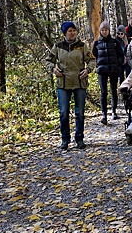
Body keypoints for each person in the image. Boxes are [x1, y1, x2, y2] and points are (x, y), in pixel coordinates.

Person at [45, 21, 95, 150]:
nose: (72, 33)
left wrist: (87, 70)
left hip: (79, 82)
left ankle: (79, 139)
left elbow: (91, 60)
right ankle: (65, 139)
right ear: (65, 33)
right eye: (69, 31)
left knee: (80, 112)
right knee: (64, 112)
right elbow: (48, 61)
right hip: (63, 83)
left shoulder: (82, 46)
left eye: (74, 30)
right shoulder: (58, 46)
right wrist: (54, 69)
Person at [92, 21, 125, 125]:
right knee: (103, 92)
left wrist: (118, 63)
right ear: (100, 31)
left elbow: (121, 55)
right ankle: (104, 114)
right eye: (102, 30)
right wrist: (97, 64)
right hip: (102, 71)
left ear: (109, 31)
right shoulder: (97, 43)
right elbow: (94, 55)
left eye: (106, 30)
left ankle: (114, 111)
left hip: (114, 70)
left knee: (113, 90)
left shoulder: (115, 42)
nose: (104, 32)